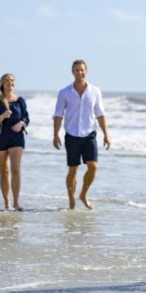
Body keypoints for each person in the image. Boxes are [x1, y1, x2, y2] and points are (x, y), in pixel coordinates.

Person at [53, 59, 111, 210]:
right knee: (73, 169)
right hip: (71, 134)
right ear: (73, 72)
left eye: (82, 70)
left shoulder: (95, 91)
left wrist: (106, 134)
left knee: (93, 166)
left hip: (89, 134)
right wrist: (55, 135)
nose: (80, 72)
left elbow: (100, 114)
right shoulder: (64, 93)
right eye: (77, 70)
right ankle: (71, 199)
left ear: (86, 71)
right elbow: (58, 114)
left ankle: (83, 194)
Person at [0, 73, 29, 211]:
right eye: (7, 81)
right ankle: (7, 203)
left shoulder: (20, 101)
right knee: (4, 172)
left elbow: (26, 118)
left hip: (16, 138)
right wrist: (2, 116)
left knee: (15, 170)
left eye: (12, 80)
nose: (10, 83)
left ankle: (16, 202)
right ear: (2, 84)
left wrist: (21, 124)